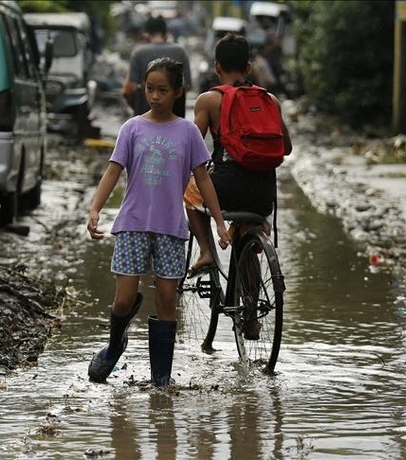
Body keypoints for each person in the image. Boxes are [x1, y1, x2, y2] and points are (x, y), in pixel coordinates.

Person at [87, 57, 230, 387]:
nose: (155, 96)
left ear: (179, 91)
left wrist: (219, 222)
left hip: (170, 228)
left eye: (163, 90)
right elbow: (113, 171)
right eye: (150, 89)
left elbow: (203, 181)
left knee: (167, 300)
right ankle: (113, 346)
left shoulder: (189, 132)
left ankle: (161, 382)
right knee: (123, 299)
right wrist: (95, 209)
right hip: (132, 224)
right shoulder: (132, 128)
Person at [183, 33, 293, 278]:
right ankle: (251, 312)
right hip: (263, 195)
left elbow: (192, 148)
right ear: (248, 68)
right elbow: (287, 148)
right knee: (245, 235)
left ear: (216, 67)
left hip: (226, 190)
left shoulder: (208, 101)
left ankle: (206, 252)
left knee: (190, 194)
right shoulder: (270, 100)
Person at [122, 16, 192, 118]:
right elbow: (187, 86)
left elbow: (129, 89)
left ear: (146, 35)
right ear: (166, 35)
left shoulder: (138, 53)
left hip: (144, 117)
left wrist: (137, 105)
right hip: (174, 118)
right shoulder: (180, 51)